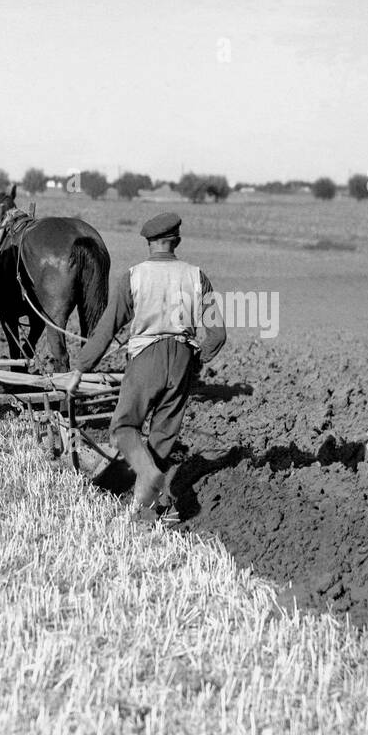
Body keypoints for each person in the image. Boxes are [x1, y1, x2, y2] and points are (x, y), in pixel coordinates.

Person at [63, 212, 226, 520]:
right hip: (181, 359)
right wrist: (195, 360)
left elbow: (107, 327)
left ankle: (148, 475)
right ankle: (143, 510)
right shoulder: (196, 275)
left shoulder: (134, 276)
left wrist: (80, 368)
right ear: (176, 241)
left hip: (146, 357)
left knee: (123, 428)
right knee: (162, 438)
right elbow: (218, 334)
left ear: (149, 244)